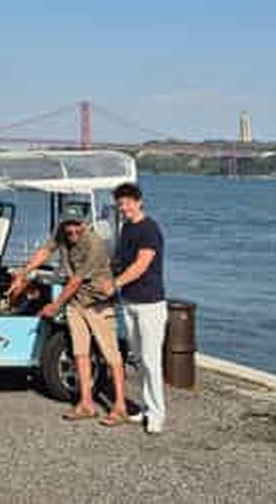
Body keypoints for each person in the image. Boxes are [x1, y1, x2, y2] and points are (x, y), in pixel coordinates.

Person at [7, 204, 127, 425]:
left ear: (84, 224)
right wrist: (24, 273)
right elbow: (45, 251)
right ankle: (86, 404)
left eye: (76, 225)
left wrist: (55, 305)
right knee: (80, 353)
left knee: (111, 354)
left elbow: (75, 281)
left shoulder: (94, 244)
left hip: (97, 304)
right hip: (75, 303)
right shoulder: (61, 233)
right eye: (68, 226)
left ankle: (120, 406)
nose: (72, 230)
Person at [108, 181, 167, 434]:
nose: (124, 208)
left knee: (152, 360)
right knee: (139, 359)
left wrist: (115, 284)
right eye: (120, 204)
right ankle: (146, 407)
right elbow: (121, 262)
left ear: (139, 202)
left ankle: (157, 414)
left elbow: (141, 265)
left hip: (150, 303)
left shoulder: (149, 229)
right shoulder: (126, 229)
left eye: (128, 203)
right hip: (130, 301)